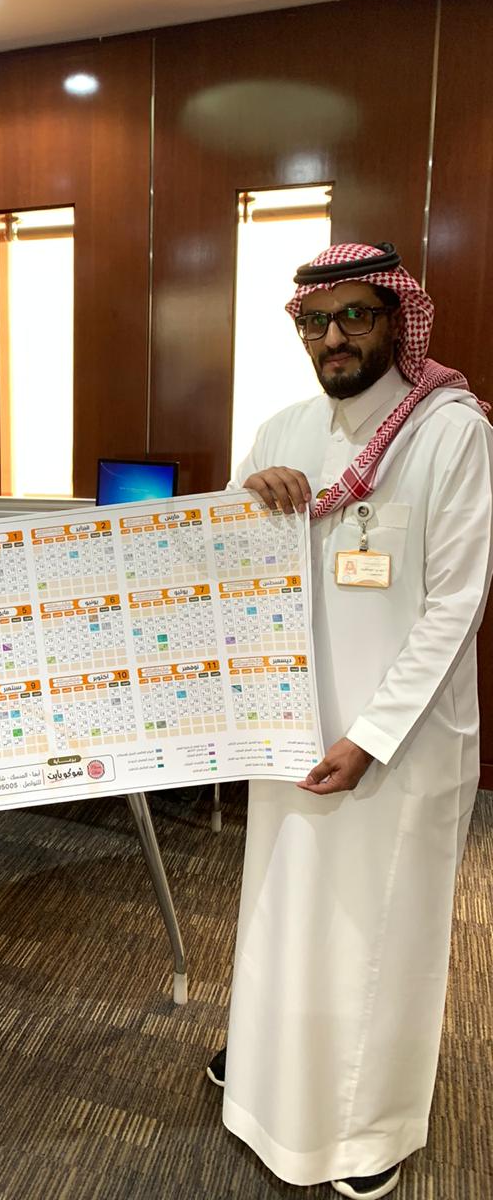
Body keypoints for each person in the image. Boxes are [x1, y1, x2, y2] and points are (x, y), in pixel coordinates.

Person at [208, 244, 493, 1200]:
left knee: (377, 934)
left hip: (397, 744)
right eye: (314, 321)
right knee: (284, 908)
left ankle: (367, 1133)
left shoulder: (451, 433)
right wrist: (252, 506)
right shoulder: (282, 428)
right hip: (290, 729)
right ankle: (267, 1076)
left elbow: (456, 605)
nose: (333, 337)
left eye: (355, 316)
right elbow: (223, 566)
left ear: (396, 318)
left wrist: (369, 737)